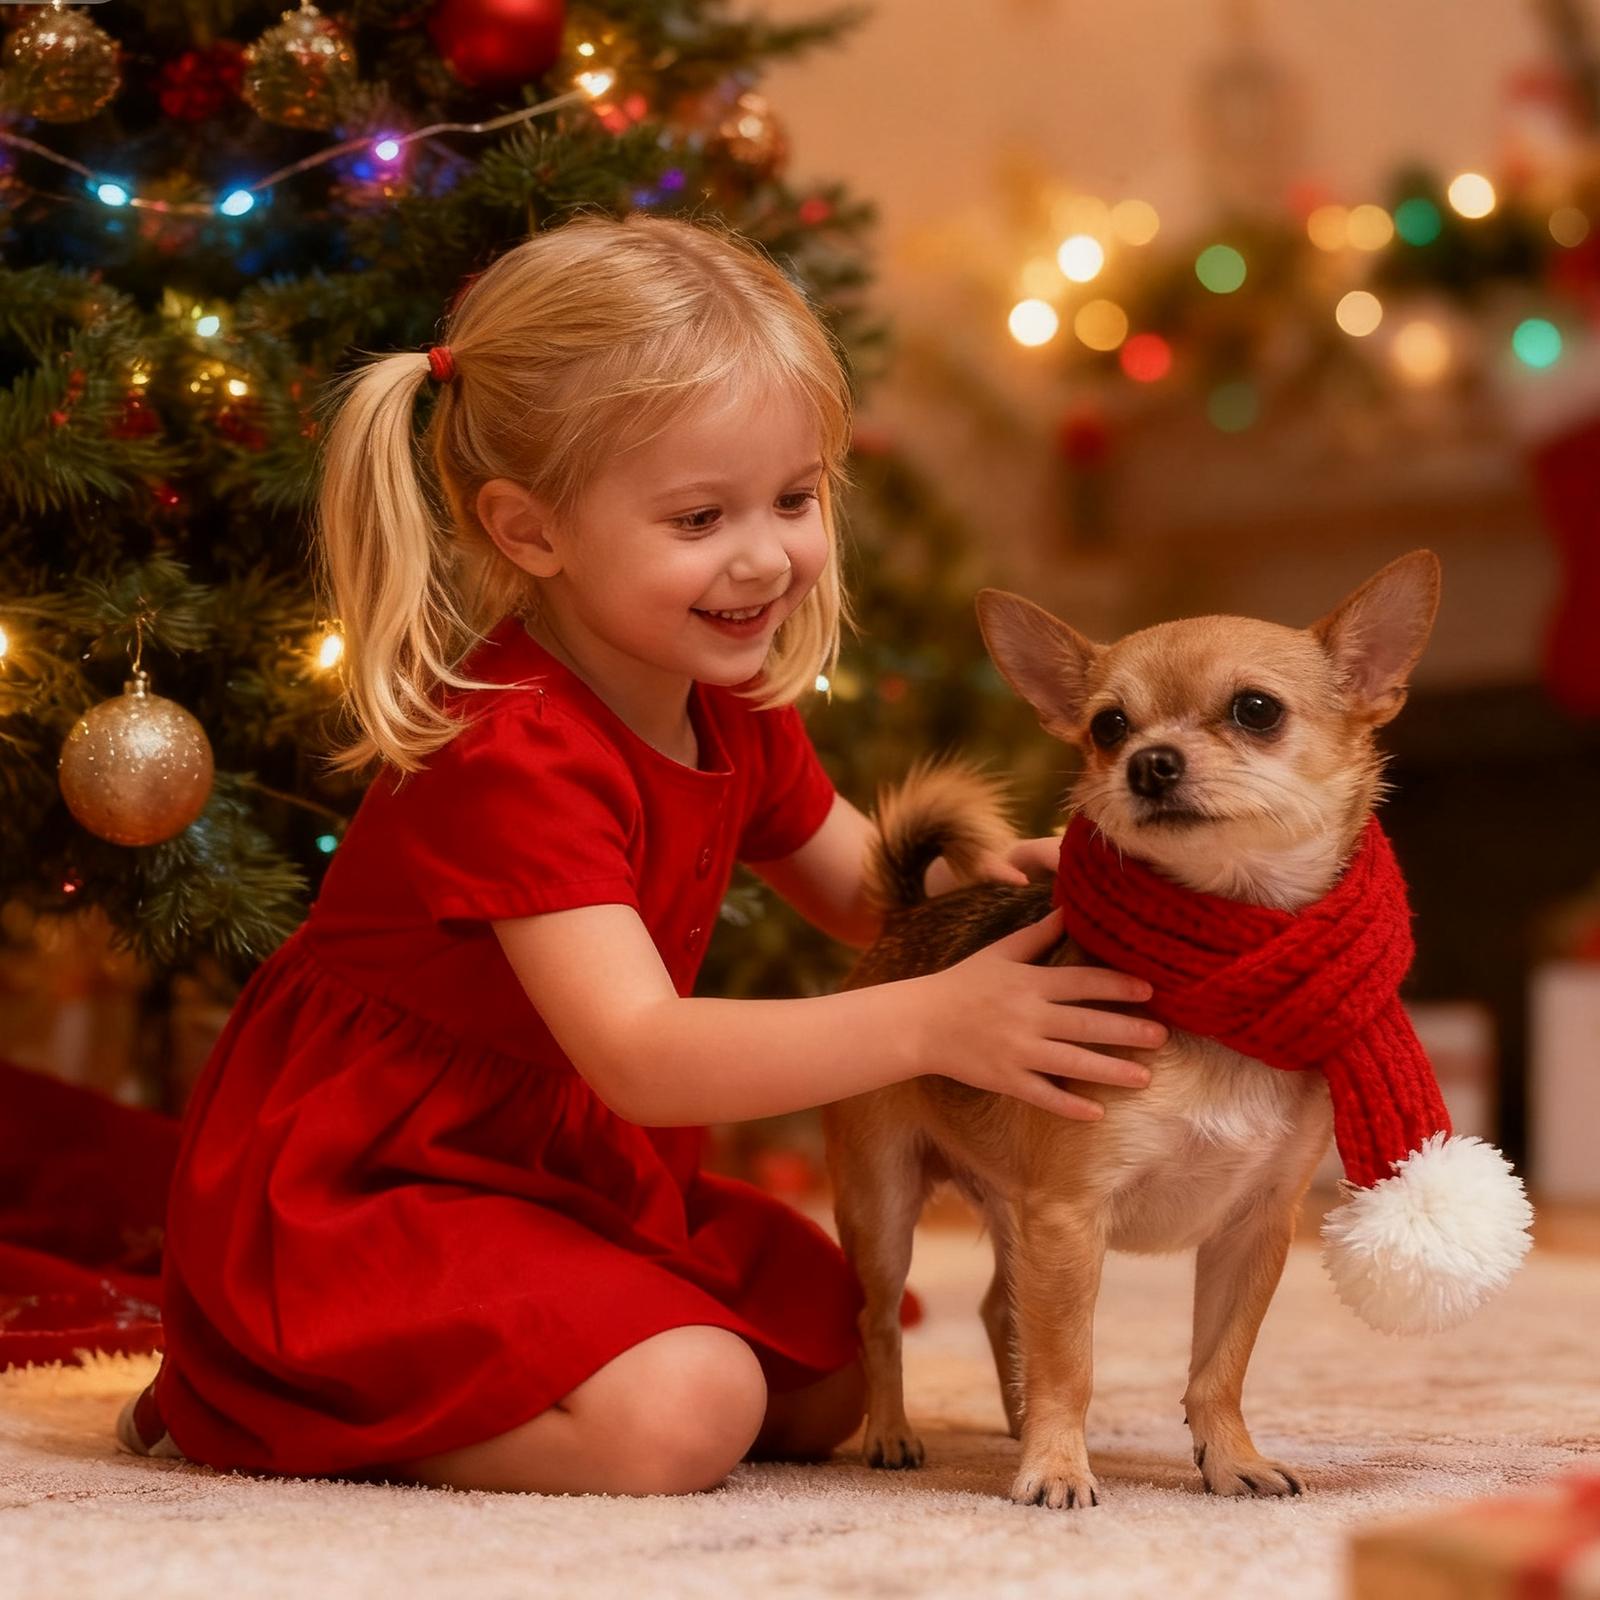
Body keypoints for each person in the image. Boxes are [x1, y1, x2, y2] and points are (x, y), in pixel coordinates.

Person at [115, 212, 1167, 1497]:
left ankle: (426, 1367)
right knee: (689, 1412)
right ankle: (263, 1398)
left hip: (563, 1167)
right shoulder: (507, 748)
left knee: (837, 1361)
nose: (764, 555)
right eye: (698, 517)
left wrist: (1032, 885)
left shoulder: (722, 695)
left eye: (793, 498)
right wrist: (936, 1022)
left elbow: (861, 892)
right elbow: (643, 1055)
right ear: (530, 529)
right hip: (380, 1179)